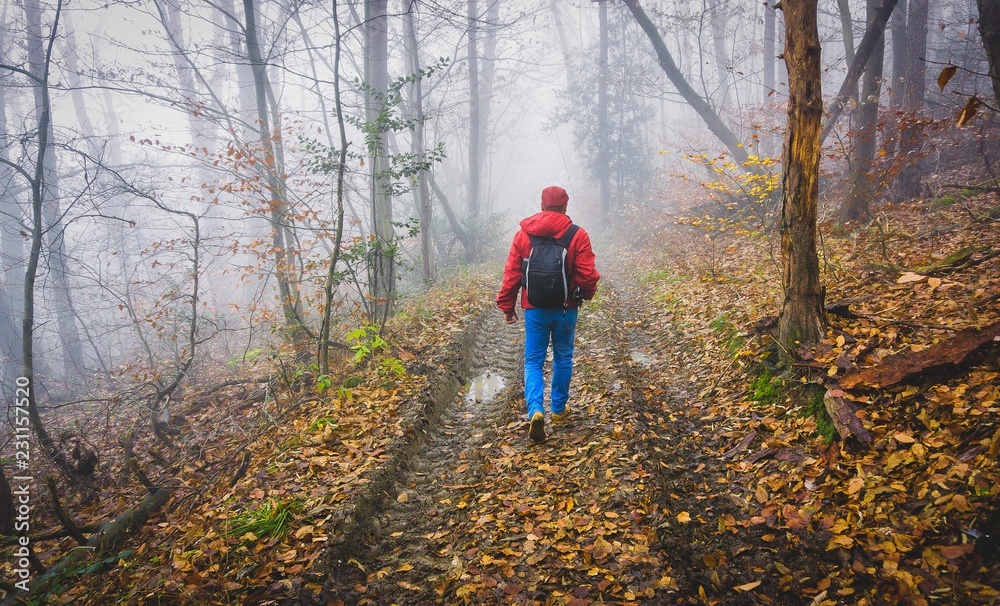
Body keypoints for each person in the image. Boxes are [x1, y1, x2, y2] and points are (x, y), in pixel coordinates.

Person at [496, 186, 601, 443]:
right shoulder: (578, 235)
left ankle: (535, 410)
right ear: (565, 208)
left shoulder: (523, 236)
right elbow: (587, 275)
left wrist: (507, 307)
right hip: (566, 308)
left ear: (542, 206)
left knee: (533, 360)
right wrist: (584, 295)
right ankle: (558, 409)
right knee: (563, 356)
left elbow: (512, 275)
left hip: (535, 309)